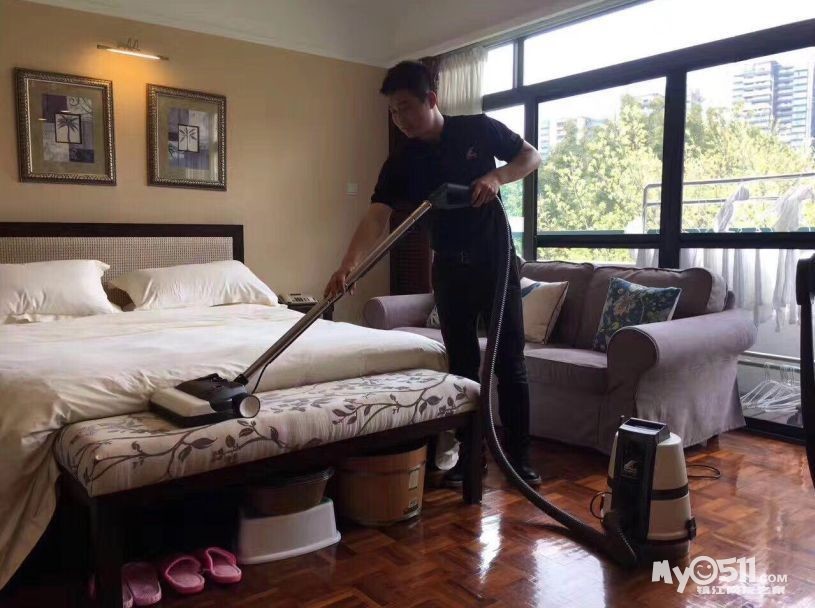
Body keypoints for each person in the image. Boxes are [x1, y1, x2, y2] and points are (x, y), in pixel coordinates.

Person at [324, 61, 542, 487]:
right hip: (448, 268)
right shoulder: (402, 160)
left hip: (495, 261)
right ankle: (470, 459)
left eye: (406, 107)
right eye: (393, 111)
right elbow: (377, 215)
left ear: (432, 99)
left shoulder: (477, 129)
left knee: (510, 362)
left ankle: (520, 460)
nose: (400, 119)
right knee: (462, 366)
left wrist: (496, 177)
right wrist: (348, 263)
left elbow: (530, 156)